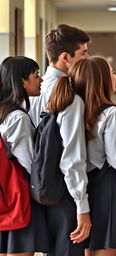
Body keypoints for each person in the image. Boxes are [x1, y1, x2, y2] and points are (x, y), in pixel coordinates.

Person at [66, 56, 116, 256]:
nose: (115, 76)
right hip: (107, 192)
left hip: (82, 189)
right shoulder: (111, 113)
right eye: (112, 72)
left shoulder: (72, 110)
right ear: (103, 80)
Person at [0, 56, 49, 256]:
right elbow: (29, 162)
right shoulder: (17, 117)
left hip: (5, 194)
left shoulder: (4, 112)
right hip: (18, 196)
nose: (41, 80)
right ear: (22, 81)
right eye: (36, 75)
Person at [43, 62, 92, 255]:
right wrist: (82, 206)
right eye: (83, 53)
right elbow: (72, 160)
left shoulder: (49, 91)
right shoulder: (74, 102)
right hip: (67, 194)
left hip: (49, 187)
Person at [29, 23, 90, 126]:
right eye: (83, 53)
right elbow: (72, 141)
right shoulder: (65, 93)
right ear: (65, 57)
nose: (88, 58)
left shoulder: (34, 89)